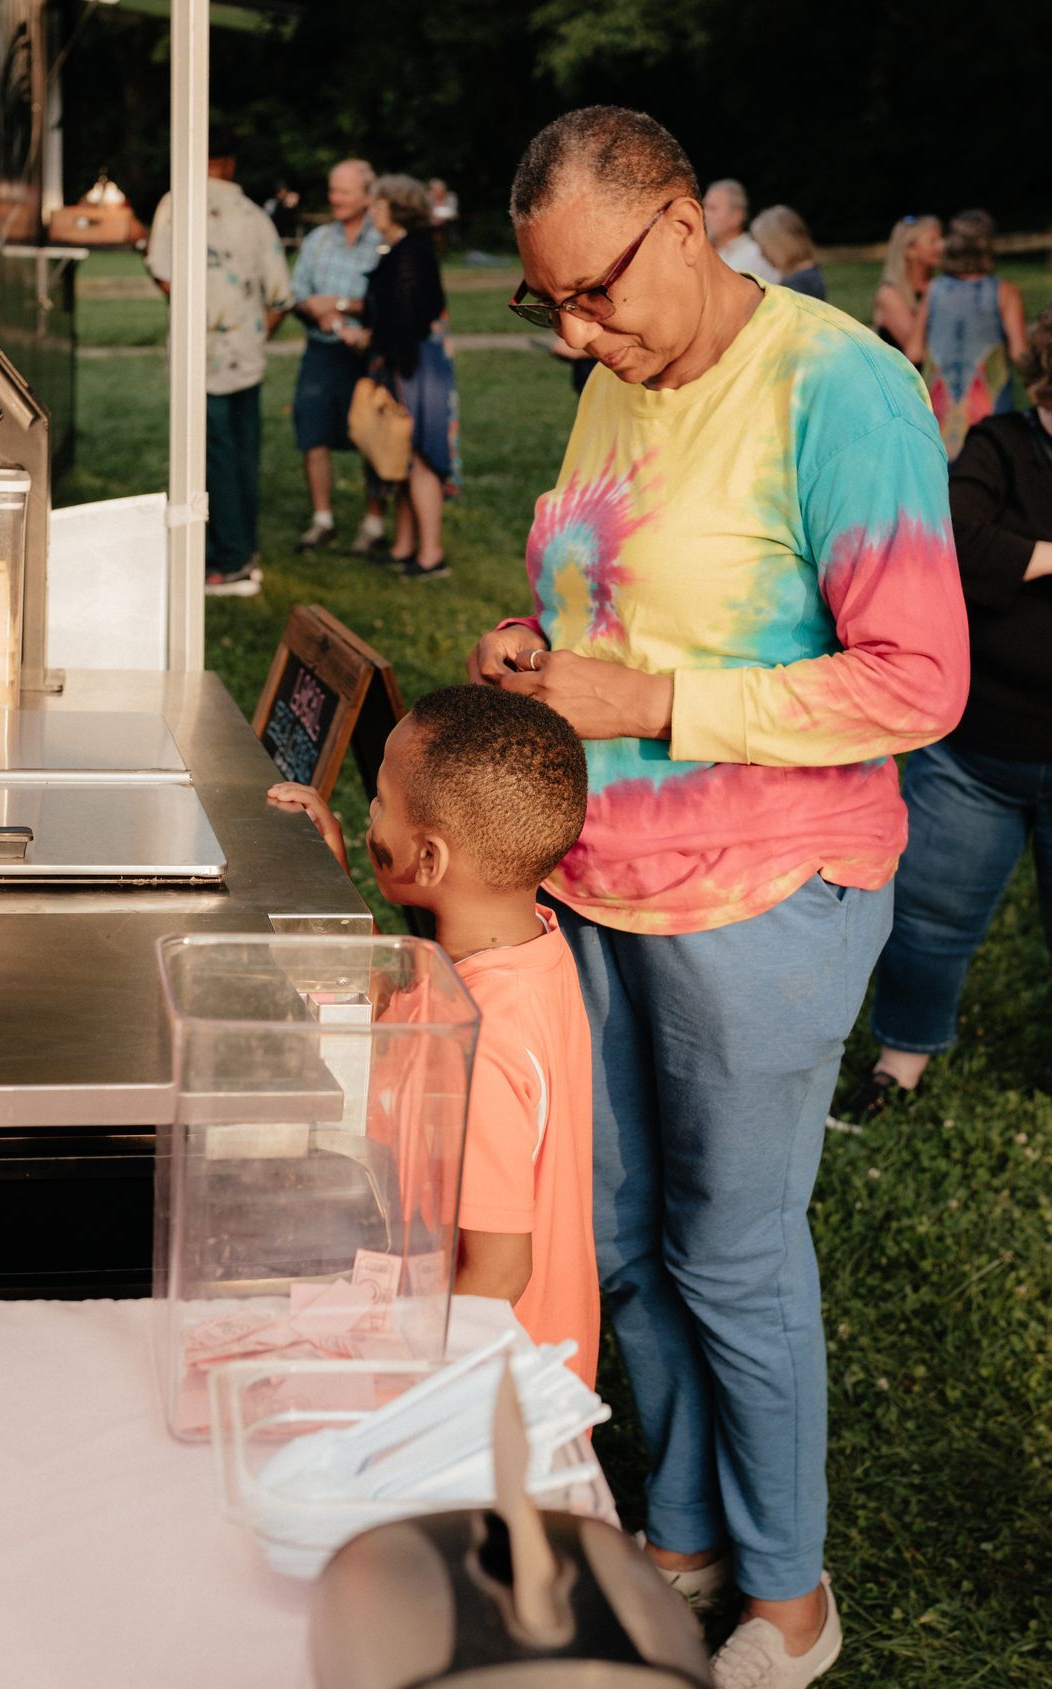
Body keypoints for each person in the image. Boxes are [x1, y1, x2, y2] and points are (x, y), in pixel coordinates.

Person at [492, 106, 966, 1687]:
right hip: (601, 879)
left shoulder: (842, 387)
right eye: (546, 303)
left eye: (596, 291)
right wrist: (538, 654)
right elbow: (603, 593)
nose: (575, 331)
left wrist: (655, 704)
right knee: (626, 1236)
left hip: (767, 895)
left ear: (685, 228)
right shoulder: (620, 377)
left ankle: (788, 1596)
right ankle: (684, 1530)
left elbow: (920, 680)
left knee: (732, 1254)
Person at [267, 685, 599, 1384]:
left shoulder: (483, 1039)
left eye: (381, 801)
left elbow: (502, 1267)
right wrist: (339, 883)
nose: (370, 816)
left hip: (482, 1394)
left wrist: (402, 1380)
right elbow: (407, 1000)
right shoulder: (517, 950)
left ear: (429, 861)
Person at [837, 305, 1052, 1120]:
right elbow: (957, 536)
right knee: (930, 918)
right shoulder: (999, 445)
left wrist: (1023, 560)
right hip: (979, 751)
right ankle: (902, 1060)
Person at [147, 124, 292, 597]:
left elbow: (163, 275)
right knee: (243, 454)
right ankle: (244, 549)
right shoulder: (254, 215)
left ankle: (228, 562)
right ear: (231, 163)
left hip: (198, 357)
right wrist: (249, 333)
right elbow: (280, 297)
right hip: (245, 354)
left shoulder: (175, 205)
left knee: (210, 459)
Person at [339, 174, 457, 578]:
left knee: (421, 455)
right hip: (405, 361)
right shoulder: (401, 250)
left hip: (416, 365)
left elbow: (405, 319)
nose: (371, 210)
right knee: (404, 455)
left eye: (377, 204)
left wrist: (367, 337)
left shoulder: (411, 254)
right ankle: (405, 546)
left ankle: (431, 555)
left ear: (396, 207)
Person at [290, 158, 389, 554]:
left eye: (344, 191)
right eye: (332, 190)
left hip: (366, 355)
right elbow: (298, 296)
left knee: (371, 437)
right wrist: (314, 309)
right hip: (321, 351)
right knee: (312, 432)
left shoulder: (381, 241)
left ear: (367, 196)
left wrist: (343, 305)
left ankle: (374, 523)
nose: (335, 198)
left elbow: (387, 303)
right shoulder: (317, 241)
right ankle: (322, 520)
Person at [917, 209, 1028, 460]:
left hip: (939, 413)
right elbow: (1020, 354)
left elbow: (913, 351)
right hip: (989, 414)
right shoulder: (1005, 292)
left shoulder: (933, 291)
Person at [871, 214, 942, 360]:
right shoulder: (889, 295)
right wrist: (929, 298)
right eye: (932, 241)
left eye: (941, 239)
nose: (942, 245)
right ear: (910, 251)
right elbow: (917, 353)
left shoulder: (937, 285)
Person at [701, 177, 780, 283]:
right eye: (704, 207)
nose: (703, 214)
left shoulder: (755, 255)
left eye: (712, 208)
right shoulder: (705, 252)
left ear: (736, 216)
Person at [751, 205, 826, 300]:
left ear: (780, 244)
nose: (762, 254)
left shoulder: (797, 285)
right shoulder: (809, 275)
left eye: (764, 247)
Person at [429, 176, 460, 254]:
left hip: (446, 222)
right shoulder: (428, 197)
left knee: (440, 230)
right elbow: (426, 211)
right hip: (430, 222)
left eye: (440, 190)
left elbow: (453, 212)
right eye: (435, 190)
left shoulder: (450, 197)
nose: (438, 192)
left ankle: (443, 251)